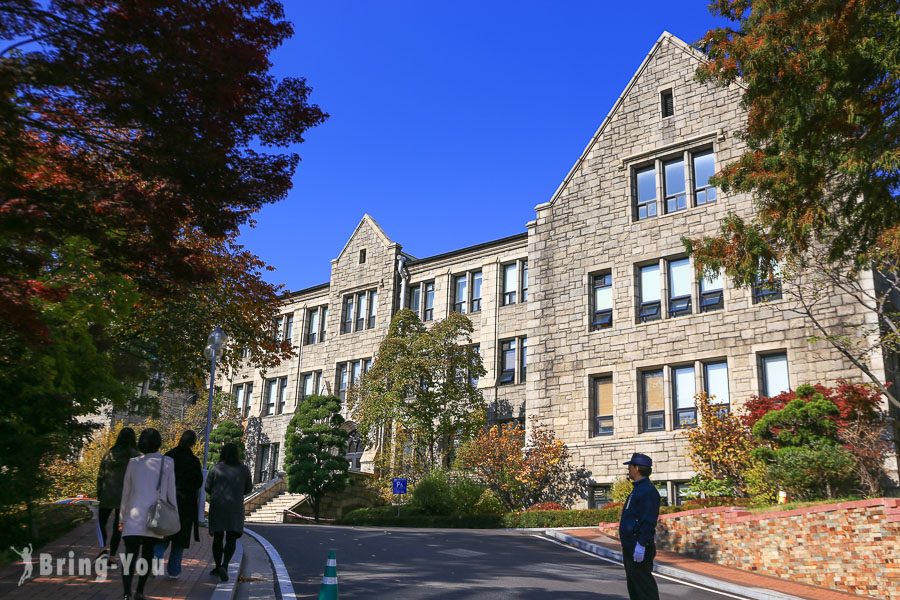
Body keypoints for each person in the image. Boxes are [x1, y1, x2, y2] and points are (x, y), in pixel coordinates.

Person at [119, 428, 177, 600]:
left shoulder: (133, 463)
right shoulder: (167, 462)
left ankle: (126, 592)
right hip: (155, 517)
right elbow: (171, 493)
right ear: (158, 443)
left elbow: (126, 493)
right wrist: (174, 515)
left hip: (133, 516)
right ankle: (140, 591)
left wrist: (121, 518)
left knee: (129, 556)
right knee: (147, 555)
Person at [153, 430, 203, 579]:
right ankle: (174, 570)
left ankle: (153, 565)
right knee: (179, 539)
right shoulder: (194, 461)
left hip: (167, 500)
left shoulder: (168, 456)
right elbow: (198, 482)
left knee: (163, 536)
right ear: (193, 443)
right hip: (186, 504)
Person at [205, 442, 252, 582]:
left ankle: (218, 565)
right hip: (235, 507)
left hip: (218, 506)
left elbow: (207, 487)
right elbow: (248, 489)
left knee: (217, 537)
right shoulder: (244, 469)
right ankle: (225, 565)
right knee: (231, 538)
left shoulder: (216, 468)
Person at [619, 452, 661, 600]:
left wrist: (641, 544)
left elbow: (648, 520)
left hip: (638, 545)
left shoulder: (647, 491)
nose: (628, 469)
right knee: (635, 587)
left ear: (636, 468)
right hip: (631, 546)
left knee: (644, 588)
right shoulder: (638, 489)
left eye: (630, 466)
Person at [96, 427, 140, 567]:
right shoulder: (136, 456)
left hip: (107, 493)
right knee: (118, 527)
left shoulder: (110, 454)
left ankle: (103, 548)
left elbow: (101, 475)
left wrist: (99, 492)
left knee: (101, 522)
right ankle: (113, 556)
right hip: (125, 497)